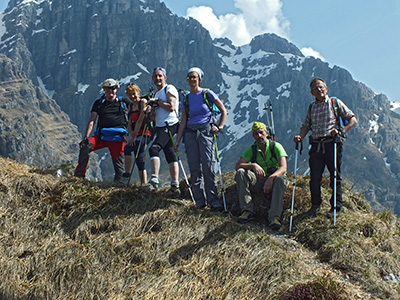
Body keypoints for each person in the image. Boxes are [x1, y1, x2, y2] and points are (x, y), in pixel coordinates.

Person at [293, 77, 357, 218]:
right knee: (315, 177)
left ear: (326, 89)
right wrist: (300, 137)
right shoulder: (312, 107)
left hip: (332, 144)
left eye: (321, 87)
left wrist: (341, 131)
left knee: (335, 176)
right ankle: (315, 205)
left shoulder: (335, 103)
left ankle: (336, 207)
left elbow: (352, 119)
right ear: (312, 92)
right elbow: (306, 125)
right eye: (315, 88)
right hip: (316, 145)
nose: (319, 90)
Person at [174, 67, 227, 211]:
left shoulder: (207, 93)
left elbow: (223, 110)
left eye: (194, 77)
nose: (192, 79)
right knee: (194, 167)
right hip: (190, 133)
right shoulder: (186, 98)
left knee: (208, 166)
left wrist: (219, 127)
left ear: (199, 79)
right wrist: (178, 140)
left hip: (206, 132)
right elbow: (183, 120)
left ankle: (213, 200)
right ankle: (200, 200)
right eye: (189, 77)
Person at [75, 78, 131, 182]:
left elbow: (136, 108)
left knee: (119, 165)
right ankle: (79, 176)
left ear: (117, 88)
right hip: (101, 136)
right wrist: (86, 137)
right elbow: (92, 120)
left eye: (113, 88)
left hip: (117, 138)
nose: (110, 90)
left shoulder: (123, 102)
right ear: (104, 89)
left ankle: (118, 184)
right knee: (85, 146)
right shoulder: (99, 103)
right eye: (107, 88)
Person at [234, 122, 288, 230]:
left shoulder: (276, 147)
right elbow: (238, 166)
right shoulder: (252, 149)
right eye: (255, 134)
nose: (259, 136)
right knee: (240, 172)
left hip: (275, 181)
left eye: (261, 132)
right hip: (259, 180)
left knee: (280, 180)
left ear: (266, 133)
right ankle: (246, 210)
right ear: (253, 136)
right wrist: (253, 165)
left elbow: (283, 168)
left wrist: (271, 179)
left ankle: (274, 217)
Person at [146, 67, 180, 196]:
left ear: (165, 77)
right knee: (170, 152)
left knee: (154, 149)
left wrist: (158, 102)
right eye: (155, 76)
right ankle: (175, 185)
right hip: (160, 125)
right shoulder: (156, 93)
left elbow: (171, 107)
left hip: (169, 124)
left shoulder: (169, 89)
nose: (158, 78)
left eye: (160, 76)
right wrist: (151, 112)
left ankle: (154, 181)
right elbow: (156, 115)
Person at [123, 83, 151, 185]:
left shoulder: (142, 102)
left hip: (145, 133)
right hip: (136, 135)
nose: (132, 97)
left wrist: (134, 137)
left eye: (134, 94)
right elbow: (129, 122)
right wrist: (132, 133)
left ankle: (127, 175)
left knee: (128, 148)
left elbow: (140, 119)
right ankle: (143, 184)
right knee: (139, 159)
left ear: (138, 92)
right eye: (130, 95)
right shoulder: (131, 106)